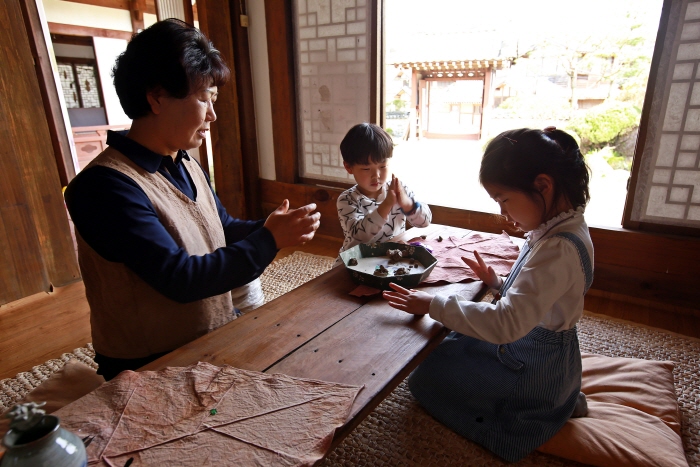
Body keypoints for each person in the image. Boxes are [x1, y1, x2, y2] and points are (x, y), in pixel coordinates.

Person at [64, 19, 321, 381]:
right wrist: (269, 240)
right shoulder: (105, 187)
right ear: (156, 97)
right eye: (204, 98)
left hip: (209, 336)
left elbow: (221, 228)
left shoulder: (184, 161)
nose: (213, 115)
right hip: (149, 365)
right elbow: (179, 278)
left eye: (214, 99)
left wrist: (273, 226)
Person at [382, 127, 593, 463]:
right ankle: (559, 400)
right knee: (452, 343)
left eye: (504, 200)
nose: (503, 213)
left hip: (532, 363)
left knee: (427, 376)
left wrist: (433, 303)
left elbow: (506, 324)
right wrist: (498, 283)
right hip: (548, 353)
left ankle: (540, 412)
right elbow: (540, 297)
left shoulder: (557, 248)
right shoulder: (565, 227)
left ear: (543, 186)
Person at [336, 123, 432, 262]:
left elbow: (425, 222)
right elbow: (359, 235)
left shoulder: (399, 189)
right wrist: (386, 205)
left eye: (383, 166)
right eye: (366, 169)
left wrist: (408, 204)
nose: (376, 175)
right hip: (356, 261)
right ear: (348, 167)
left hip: (392, 259)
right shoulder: (347, 199)